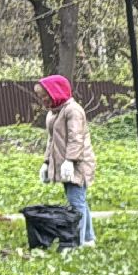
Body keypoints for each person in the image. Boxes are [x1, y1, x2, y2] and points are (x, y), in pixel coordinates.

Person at [35, 75, 95, 247]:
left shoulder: (73, 110)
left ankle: (77, 243)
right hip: (64, 165)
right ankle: (89, 239)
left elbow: (76, 138)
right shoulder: (53, 113)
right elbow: (51, 140)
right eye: (40, 97)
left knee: (76, 204)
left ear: (55, 92)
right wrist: (46, 162)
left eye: (44, 96)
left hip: (78, 163)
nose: (43, 100)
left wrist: (70, 160)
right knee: (79, 201)